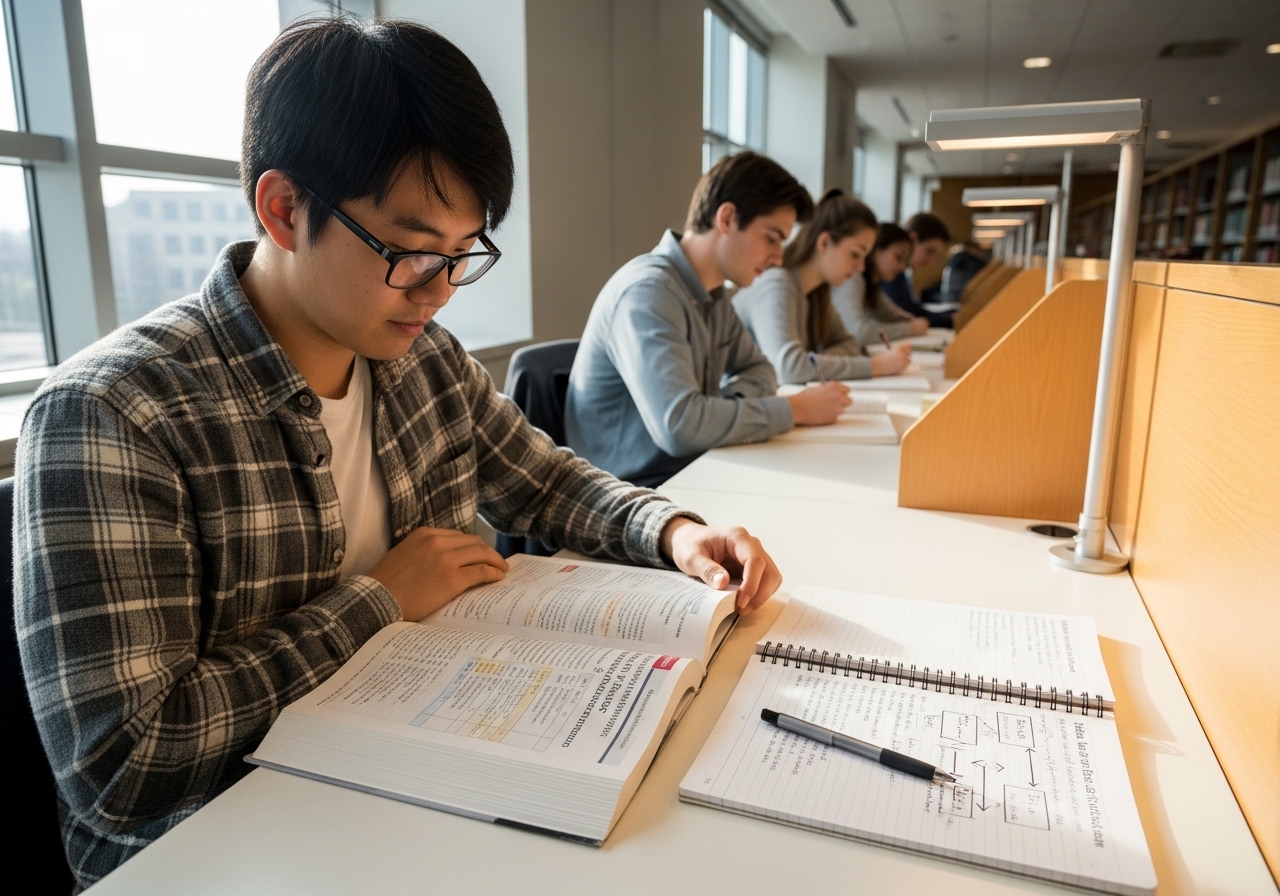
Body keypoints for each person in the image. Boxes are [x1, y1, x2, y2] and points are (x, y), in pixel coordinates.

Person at [15, 20, 783, 889]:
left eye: (465, 255)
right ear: (282, 208)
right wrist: (379, 603)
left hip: (426, 787)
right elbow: (122, 766)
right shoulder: (116, 415)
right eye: (414, 253)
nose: (442, 292)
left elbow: (543, 480)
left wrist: (674, 532)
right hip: (228, 853)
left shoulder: (419, 357)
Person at [564, 152, 851, 488]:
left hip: (688, 473)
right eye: (771, 237)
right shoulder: (648, 293)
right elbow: (681, 427)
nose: (777, 257)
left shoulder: (712, 296)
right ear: (727, 218)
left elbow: (760, 370)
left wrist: (716, 413)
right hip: (630, 497)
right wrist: (794, 410)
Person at [731, 189, 911, 384]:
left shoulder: (817, 292)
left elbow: (850, 344)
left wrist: (812, 360)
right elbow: (789, 368)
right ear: (824, 243)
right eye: (855, 254)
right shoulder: (776, 282)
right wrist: (875, 366)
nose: (860, 268)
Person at [830, 223, 930, 344]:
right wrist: (909, 329)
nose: (902, 267)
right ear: (875, 249)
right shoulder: (853, 277)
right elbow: (856, 333)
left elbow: (894, 315)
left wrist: (914, 323)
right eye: (899, 257)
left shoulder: (871, 285)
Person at [881, 212, 954, 328]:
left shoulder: (901, 274)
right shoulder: (890, 272)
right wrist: (950, 320)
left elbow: (910, 310)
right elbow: (905, 311)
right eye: (929, 251)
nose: (931, 260)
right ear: (913, 239)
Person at [939, 240, 991, 306]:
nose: (978, 253)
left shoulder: (956, 257)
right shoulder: (966, 259)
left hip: (949, 296)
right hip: (957, 295)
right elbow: (980, 265)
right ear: (971, 248)